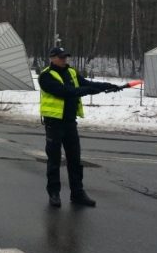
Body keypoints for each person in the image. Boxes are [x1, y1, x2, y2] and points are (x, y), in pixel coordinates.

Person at [39, 47, 122, 208]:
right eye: (61, 57)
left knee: (75, 160)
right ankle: (54, 194)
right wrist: (89, 90)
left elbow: (87, 84)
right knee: (54, 160)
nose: (65, 60)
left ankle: (77, 193)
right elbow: (65, 91)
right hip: (54, 124)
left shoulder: (71, 72)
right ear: (52, 58)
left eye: (66, 57)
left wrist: (107, 86)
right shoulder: (46, 76)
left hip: (70, 123)